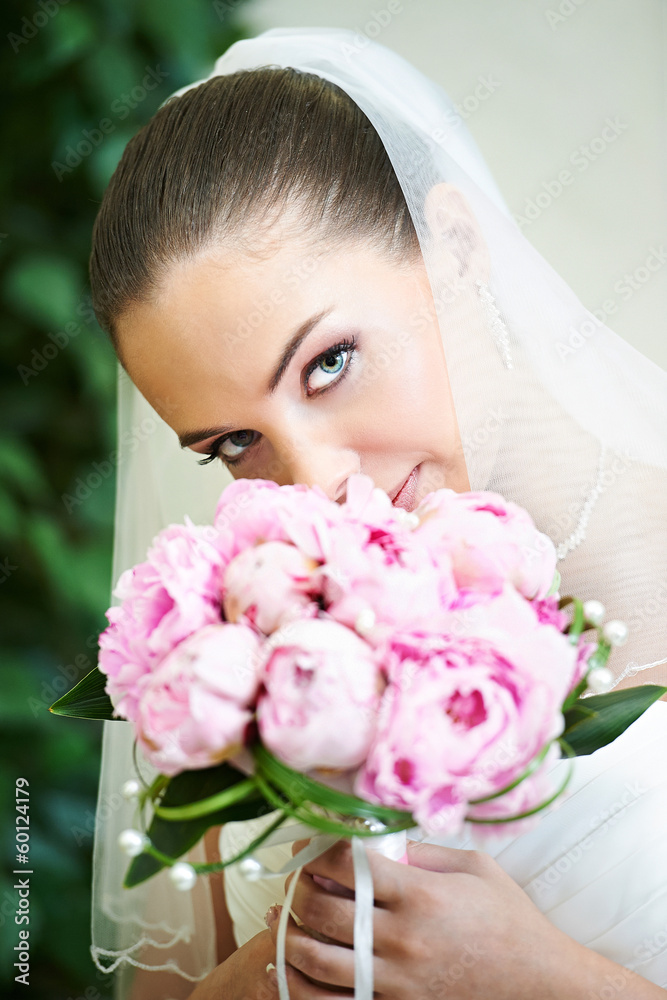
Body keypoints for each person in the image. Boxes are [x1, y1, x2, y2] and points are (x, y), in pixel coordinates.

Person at [86, 27, 667, 999]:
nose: (316, 481)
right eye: (234, 442)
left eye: (329, 362)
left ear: (457, 244)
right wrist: (274, 972)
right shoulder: (247, 646)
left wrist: (542, 980)